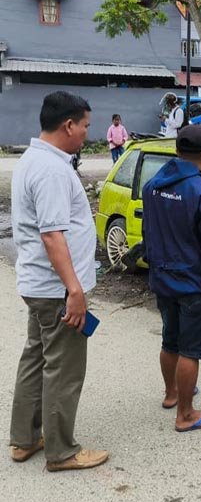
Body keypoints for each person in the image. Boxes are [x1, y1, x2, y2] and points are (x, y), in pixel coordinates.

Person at [8, 91, 108, 472]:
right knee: (63, 368)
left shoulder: (34, 159)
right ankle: (62, 451)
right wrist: (75, 290)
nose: (85, 133)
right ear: (68, 125)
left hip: (39, 285)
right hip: (56, 289)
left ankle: (25, 438)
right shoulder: (51, 169)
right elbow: (53, 235)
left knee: (35, 359)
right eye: (84, 126)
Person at [142, 125, 201, 432]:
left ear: (177, 151)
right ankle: (186, 414)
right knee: (190, 349)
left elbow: (148, 232)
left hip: (163, 278)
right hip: (194, 283)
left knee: (170, 339)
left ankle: (172, 394)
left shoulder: (153, 185)